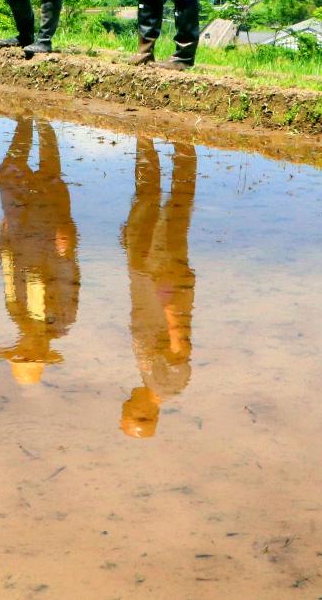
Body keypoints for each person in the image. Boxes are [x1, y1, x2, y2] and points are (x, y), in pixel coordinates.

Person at [120, 136, 197, 438]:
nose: (125, 399)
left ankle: (147, 139)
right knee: (173, 211)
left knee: (145, 207)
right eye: (127, 408)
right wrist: (168, 294)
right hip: (163, 280)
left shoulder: (153, 381)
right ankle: (184, 143)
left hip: (147, 277)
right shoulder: (168, 384)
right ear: (143, 413)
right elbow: (180, 345)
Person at [0, 115, 80, 385]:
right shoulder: (60, 321)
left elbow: (8, 273)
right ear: (42, 350)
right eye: (28, 352)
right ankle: (43, 124)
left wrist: (5, 236)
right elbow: (69, 282)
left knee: (7, 173)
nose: (25, 346)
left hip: (26, 239)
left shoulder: (17, 316)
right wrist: (66, 247)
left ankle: (25, 123)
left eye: (23, 350)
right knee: (48, 178)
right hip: (42, 244)